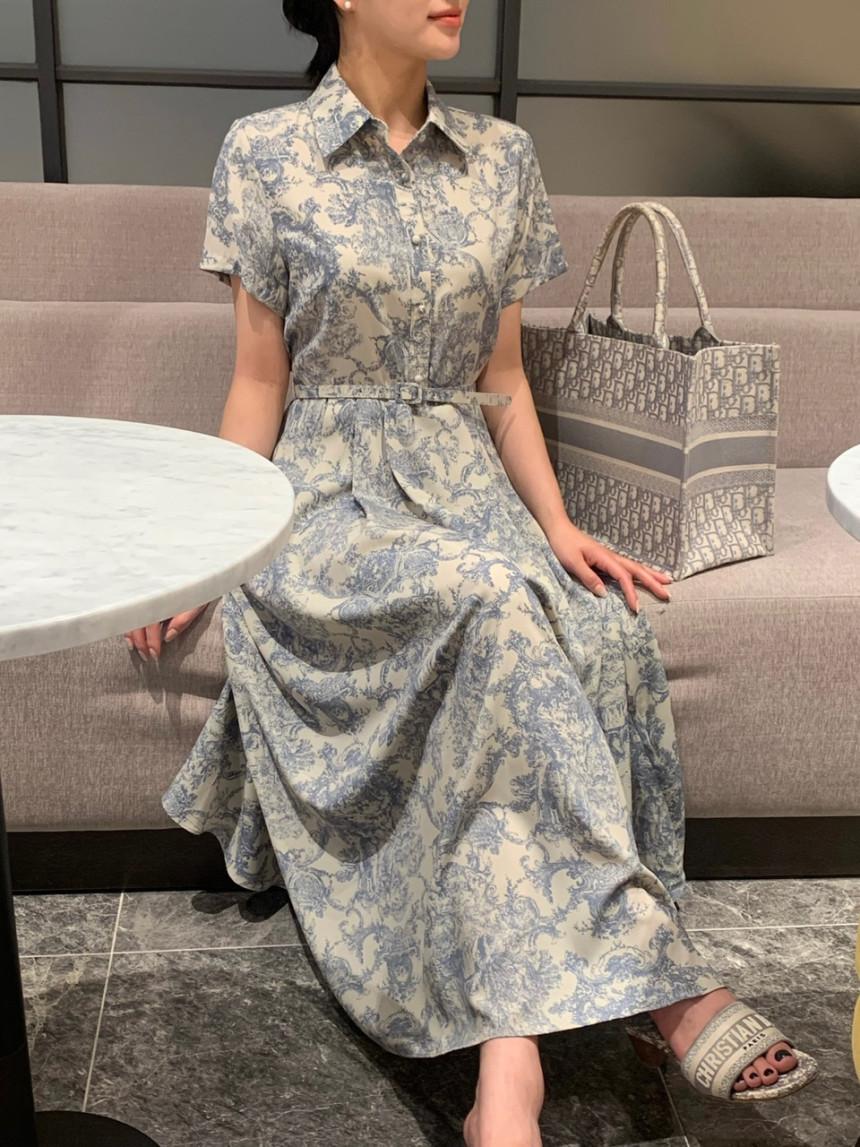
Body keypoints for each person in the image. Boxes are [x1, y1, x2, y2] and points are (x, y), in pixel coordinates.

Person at [125, 1, 816, 1141]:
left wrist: (556, 525)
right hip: (327, 499)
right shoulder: (264, 151)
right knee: (490, 602)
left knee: (597, 630)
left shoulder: (504, 157)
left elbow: (502, 379)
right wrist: (203, 548)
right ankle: (664, 986)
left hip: (465, 486)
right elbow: (258, 381)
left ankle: (509, 1064)